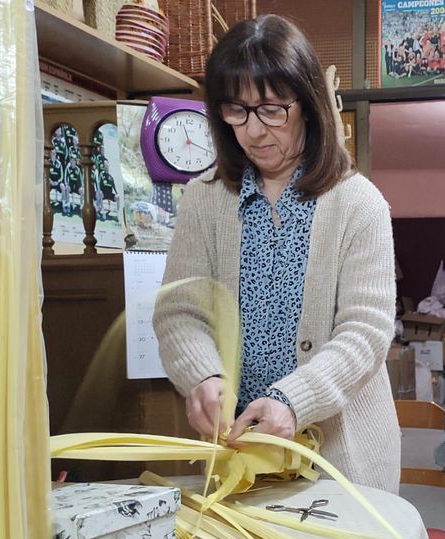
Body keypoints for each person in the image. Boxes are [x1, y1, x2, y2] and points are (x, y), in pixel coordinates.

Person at [155, 15, 402, 493]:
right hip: (239, 453)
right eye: (237, 111)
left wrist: (293, 400)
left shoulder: (358, 203)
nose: (254, 131)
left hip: (340, 459)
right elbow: (179, 312)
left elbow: (367, 331)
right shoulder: (203, 199)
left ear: (307, 104)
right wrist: (201, 374)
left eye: (272, 110)